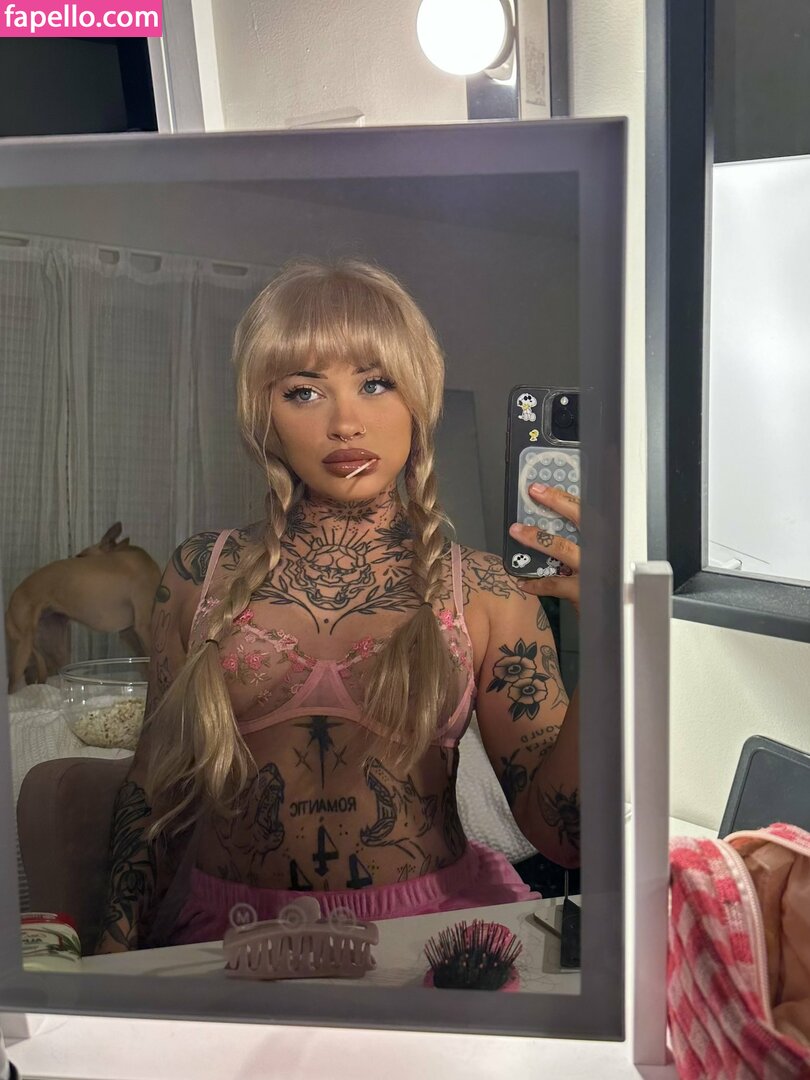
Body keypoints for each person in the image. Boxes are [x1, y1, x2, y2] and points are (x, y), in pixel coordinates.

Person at [96, 258, 581, 953]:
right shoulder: (201, 574)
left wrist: (616, 640)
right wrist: (106, 962)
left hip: (428, 941)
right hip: (230, 941)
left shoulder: (486, 592)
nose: (346, 422)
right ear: (264, 415)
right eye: (304, 391)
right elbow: (154, 793)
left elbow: (563, 835)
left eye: (375, 383)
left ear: (418, 397)